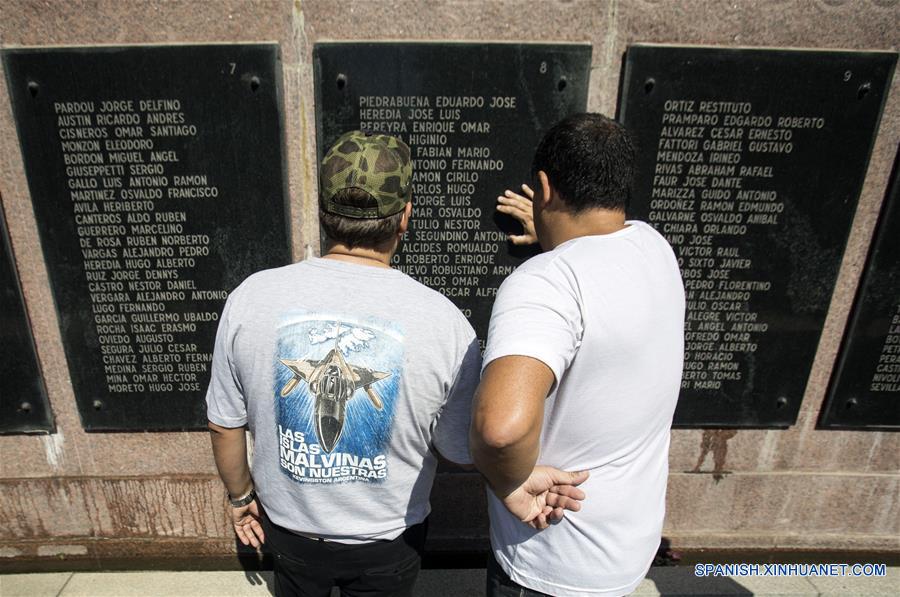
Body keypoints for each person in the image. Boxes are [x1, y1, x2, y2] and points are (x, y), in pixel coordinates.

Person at [206, 130, 584, 597]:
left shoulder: (251, 297)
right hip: (389, 543)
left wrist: (241, 497)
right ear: (405, 217)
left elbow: (225, 424)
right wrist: (515, 478)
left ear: (324, 214)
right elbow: (459, 447)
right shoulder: (444, 323)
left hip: (288, 531)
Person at [471, 113, 685, 597]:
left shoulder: (545, 282)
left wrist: (510, 483)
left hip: (549, 559)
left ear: (542, 187)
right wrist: (552, 235)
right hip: (626, 549)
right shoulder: (655, 247)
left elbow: (500, 430)